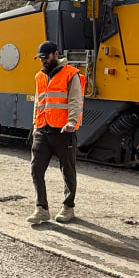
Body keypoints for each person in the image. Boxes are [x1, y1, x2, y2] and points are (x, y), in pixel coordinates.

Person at [28, 41, 83, 225]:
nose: (43, 61)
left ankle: (68, 207)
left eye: (45, 57)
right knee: (36, 169)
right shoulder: (39, 76)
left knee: (68, 170)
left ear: (56, 54)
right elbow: (38, 102)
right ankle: (41, 209)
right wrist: (35, 125)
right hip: (42, 129)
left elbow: (75, 100)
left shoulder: (70, 74)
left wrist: (72, 122)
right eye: (40, 58)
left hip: (63, 130)